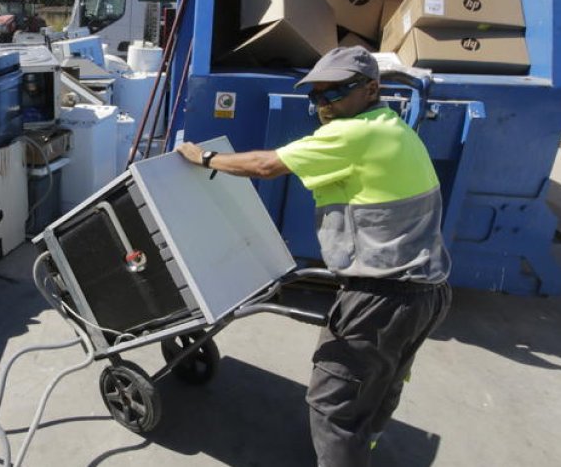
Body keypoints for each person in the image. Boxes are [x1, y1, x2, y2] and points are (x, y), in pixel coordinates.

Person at [176, 46, 452, 467]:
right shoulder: (392, 126)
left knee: (331, 402)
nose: (324, 105)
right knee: (383, 383)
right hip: (426, 293)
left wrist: (205, 158)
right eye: (316, 96)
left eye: (335, 93)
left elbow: (266, 165)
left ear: (371, 88)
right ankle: (362, 450)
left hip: (382, 298)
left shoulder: (354, 133)